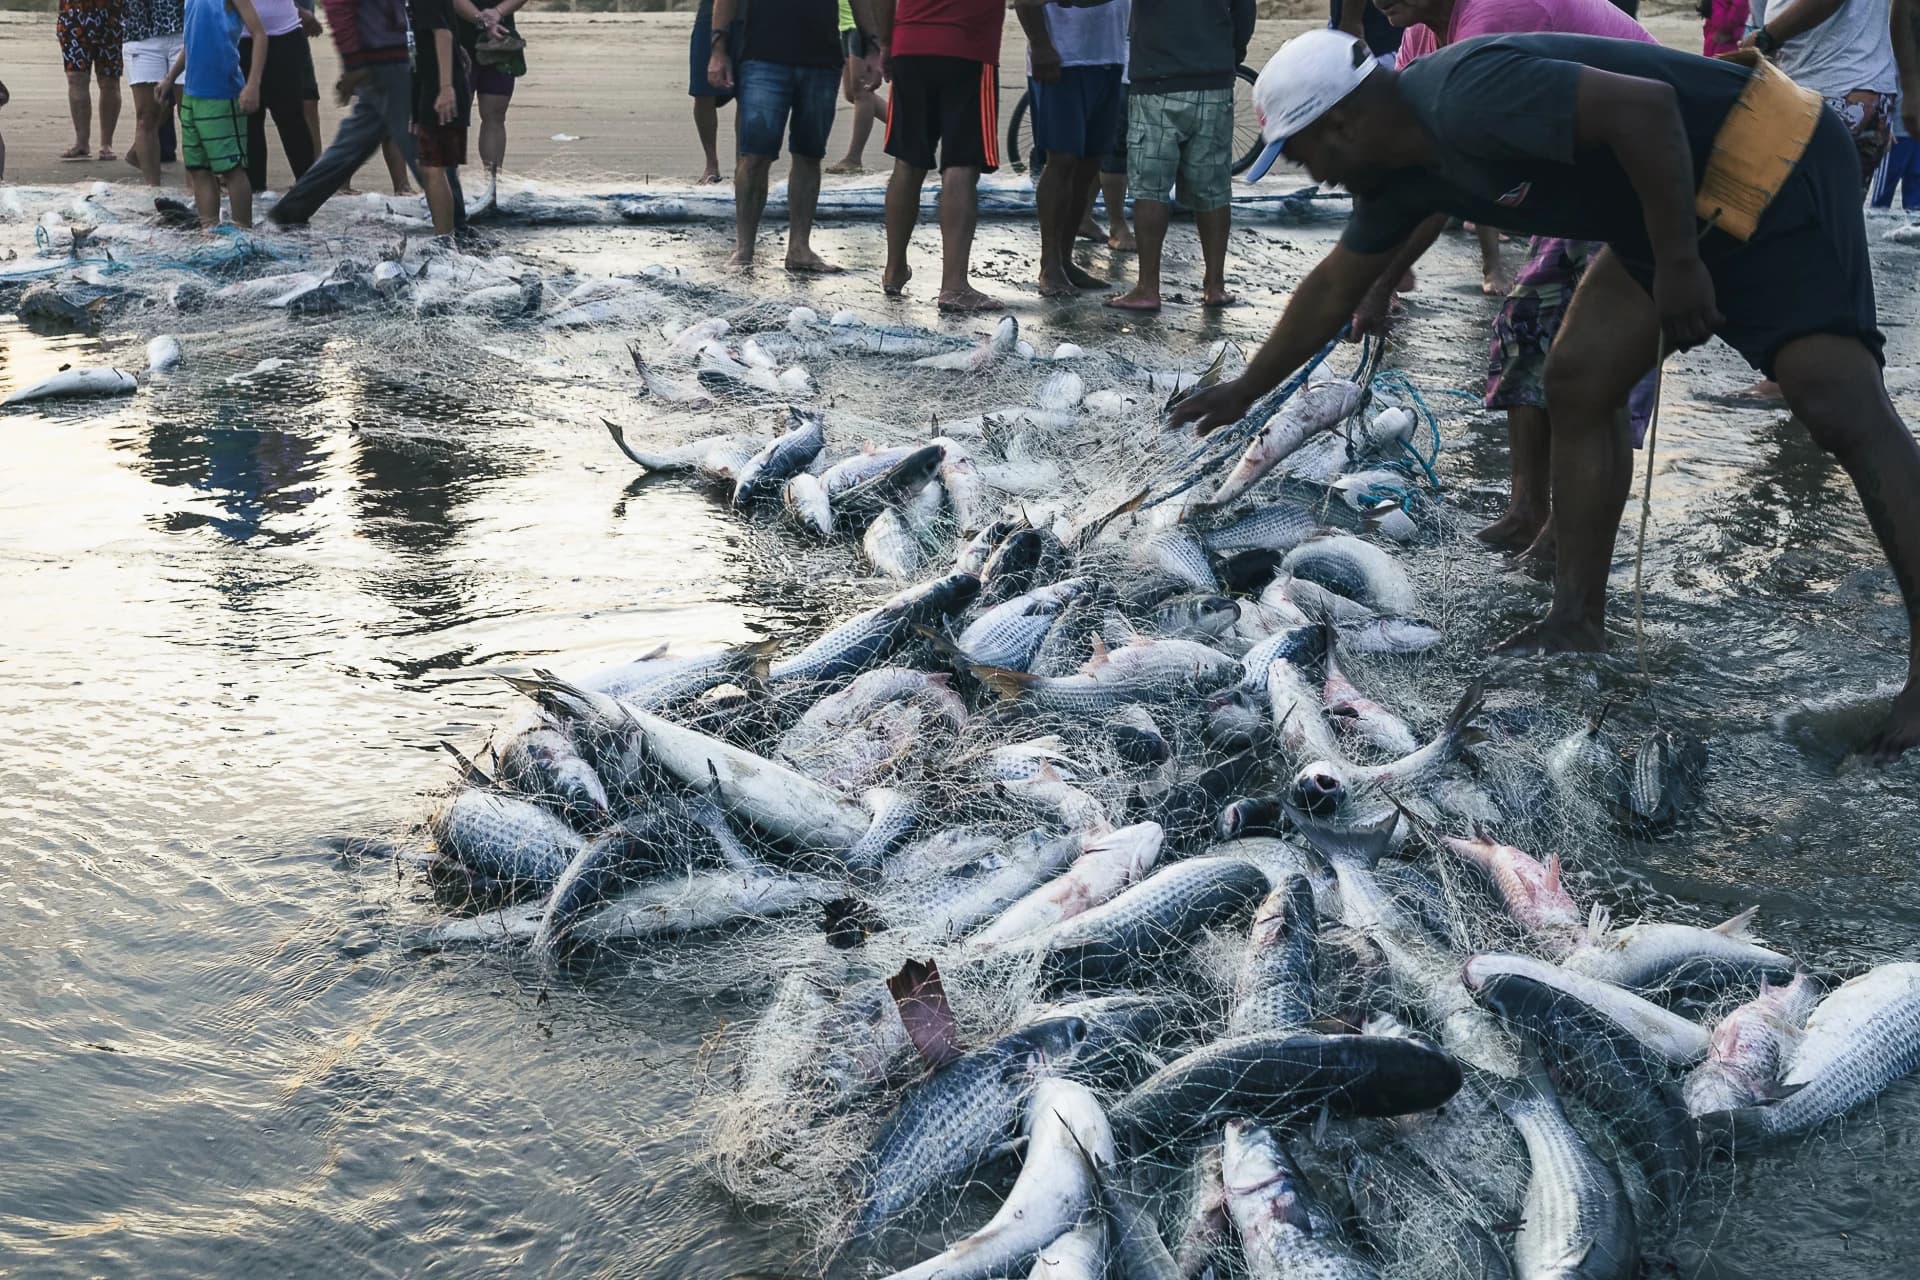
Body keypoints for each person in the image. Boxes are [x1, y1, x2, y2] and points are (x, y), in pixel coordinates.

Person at [1172, 30, 1920, 756]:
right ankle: (1576, 619)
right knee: (1578, 378)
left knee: (1839, 409)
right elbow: (1335, 283)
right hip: (1659, 211)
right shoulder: (1401, 176)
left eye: (1305, 153)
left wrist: (1680, 262)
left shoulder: (1468, 95)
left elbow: (1647, 109)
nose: (1314, 176)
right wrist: (1245, 389)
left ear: (1345, 122)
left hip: (1766, 157)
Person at [1361, 0, 1659, 554]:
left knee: (1593, 368)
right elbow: (1412, 165)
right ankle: (1527, 510)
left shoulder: (1495, 15)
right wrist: (1375, 273)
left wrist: (1382, 281)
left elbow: (1443, 177)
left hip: (1648, 168)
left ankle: (1573, 537)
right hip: (1581, 181)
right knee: (1524, 325)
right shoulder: (1420, 38)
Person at [1106, 0, 1254, 312]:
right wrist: (1229, 55)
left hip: (1156, 81)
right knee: (1213, 189)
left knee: (1151, 187)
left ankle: (1148, 287)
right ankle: (1215, 286)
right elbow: (1244, 11)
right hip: (1212, 80)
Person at [868, 0, 1009, 311]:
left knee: (907, 161)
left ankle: (894, 269)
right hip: (968, 48)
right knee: (961, 164)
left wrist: (887, 42)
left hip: (912, 45)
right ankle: (954, 286)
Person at [269, 0, 437, 226]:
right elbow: (338, 8)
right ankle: (453, 213)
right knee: (420, 144)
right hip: (384, 57)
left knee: (353, 143)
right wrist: (354, 63)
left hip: (387, 55)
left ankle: (291, 210)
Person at [707, 0, 842, 272]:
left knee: (809, 153)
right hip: (764, 56)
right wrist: (718, 49)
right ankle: (744, 250)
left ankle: (799, 248)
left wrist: (873, 45)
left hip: (822, 57)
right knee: (754, 156)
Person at [1018, 0, 1127, 295]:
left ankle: (1065, 260)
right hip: (1062, 59)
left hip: (1111, 55)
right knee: (1062, 159)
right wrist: (1040, 44)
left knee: (1090, 165)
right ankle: (1049, 263)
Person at [1745, 0, 1899, 190]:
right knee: (1828, 211)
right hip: (1824, 85)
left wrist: (1765, 37)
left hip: (1836, 88)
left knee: (1797, 208)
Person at [159, 0, 267, 227]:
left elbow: (259, 34)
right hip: (191, 94)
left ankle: (243, 233)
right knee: (199, 169)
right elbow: (190, 43)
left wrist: (253, 84)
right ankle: (209, 231)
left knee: (231, 169)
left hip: (222, 94)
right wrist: (170, 78)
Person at [450, 0, 524, 208]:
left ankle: (492, 186)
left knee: (495, 115)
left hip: (501, 40)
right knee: (452, 116)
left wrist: (498, 12)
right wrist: (484, 19)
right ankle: (448, 187)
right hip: (457, 41)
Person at [239, 0, 319, 191]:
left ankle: (308, 189)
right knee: (248, 119)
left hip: (283, 35)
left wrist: (300, 10)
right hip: (241, 38)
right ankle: (255, 192)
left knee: (290, 117)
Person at [410, 0, 470, 235]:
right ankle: (453, 232)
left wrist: (446, 88)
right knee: (439, 168)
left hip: (442, 90)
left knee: (434, 168)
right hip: (431, 85)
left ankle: (446, 239)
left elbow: (442, 34)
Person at [123, 0, 187, 186]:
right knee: (146, 116)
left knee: (190, 114)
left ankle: (197, 186)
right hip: (141, 34)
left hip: (185, 32)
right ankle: (153, 189)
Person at [59, 0, 125, 161]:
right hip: (73, 13)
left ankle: (106, 144)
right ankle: (81, 143)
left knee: (109, 79)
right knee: (76, 77)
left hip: (111, 14)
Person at [830, 0, 887, 173]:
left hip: (861, 26)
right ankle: (906, 125)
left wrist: (875, 42)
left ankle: (854, 158)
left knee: (862, 91)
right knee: (851, 93)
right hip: (844, 24)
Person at [690, 0, 736, 184]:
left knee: (747, 91)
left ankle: (744, 162)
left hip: (752, 10)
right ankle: (711, 163)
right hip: (711, 8)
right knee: (702, 91)